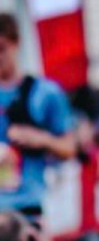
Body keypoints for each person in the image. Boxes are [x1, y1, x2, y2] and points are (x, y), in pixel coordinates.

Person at [0, 14, 77, 225]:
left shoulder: (45, 93)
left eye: (1, 49)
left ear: (16, 44)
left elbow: (70, 148)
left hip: (28, 206)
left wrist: (42, 139)